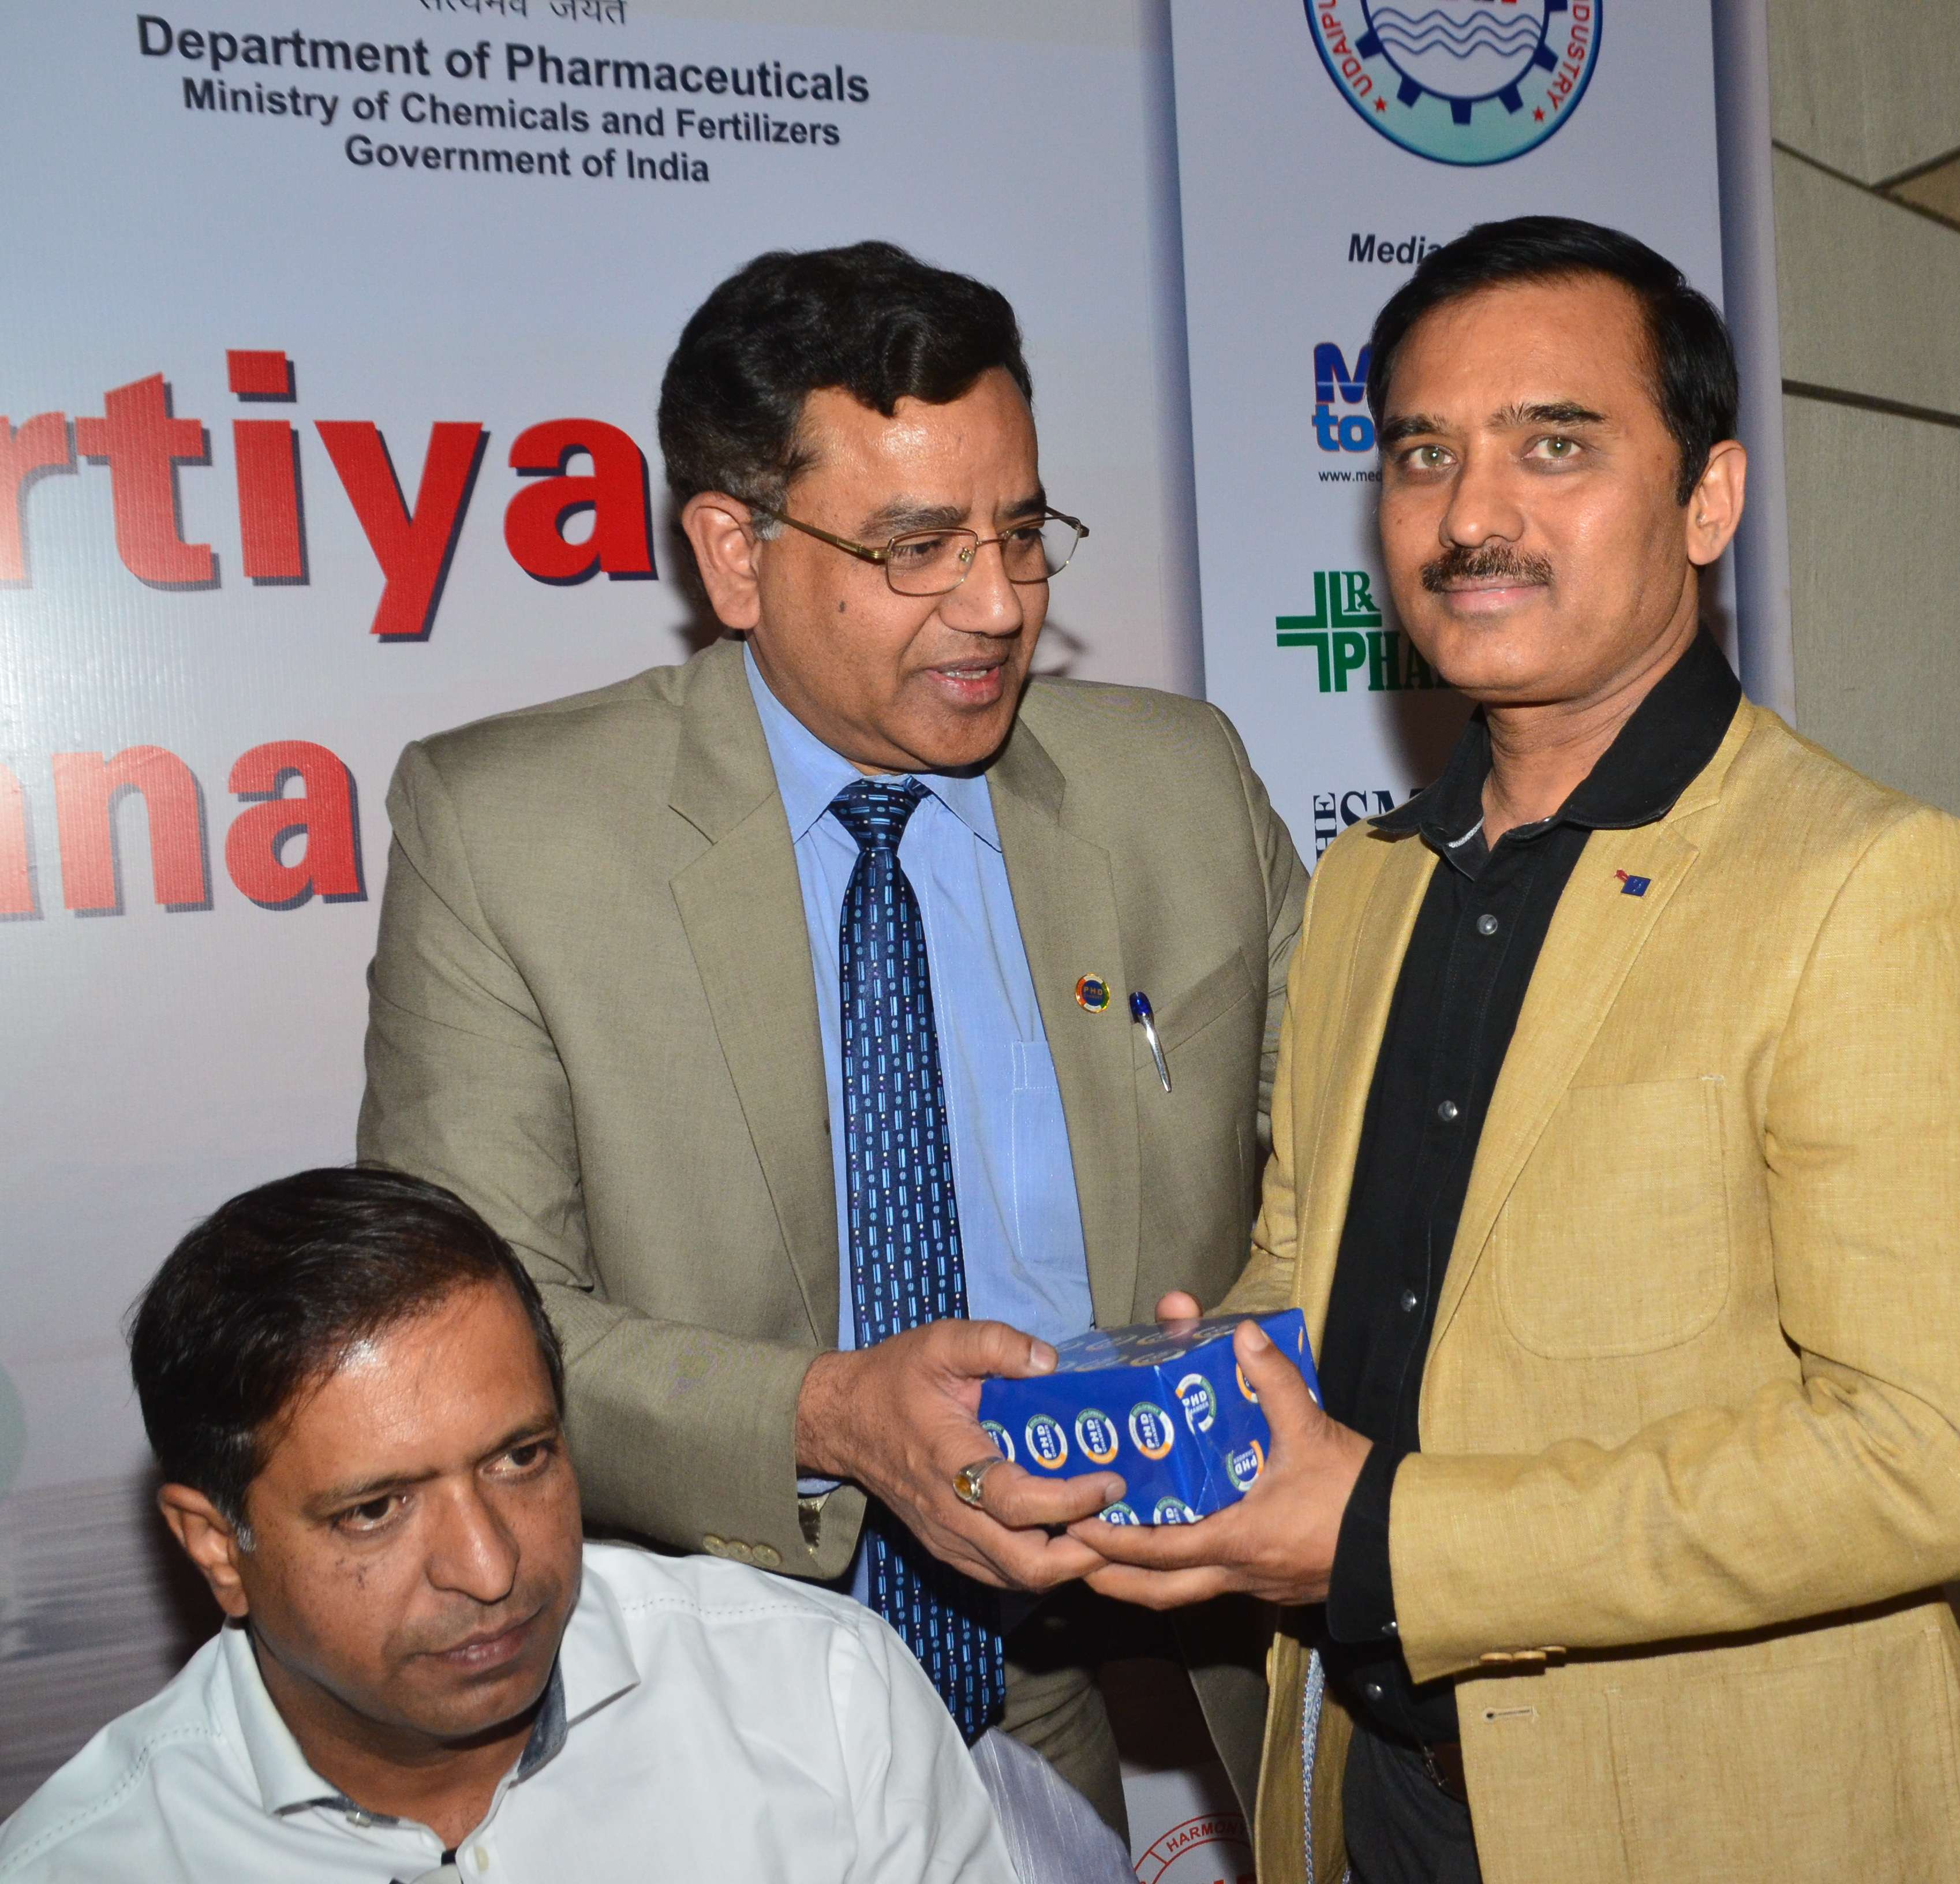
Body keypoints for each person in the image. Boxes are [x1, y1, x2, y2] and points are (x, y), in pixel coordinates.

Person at [1076, 216, 1960, 1883]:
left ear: (1709, 500)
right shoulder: (1373, 884)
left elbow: (1936, 1460)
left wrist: (1385, 1536)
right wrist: (1173, 1405)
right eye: (1423, 455)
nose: (1472, 516)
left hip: (1725, 1823)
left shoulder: (1869, 885)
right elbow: (1313, 1268)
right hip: (1365, 1792)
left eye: (1555, 446)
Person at [356, 241, 1305, 1833]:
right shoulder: (508, 835)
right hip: (723, 1693)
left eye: (1022, 534)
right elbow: (469, 1342)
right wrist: (830, 1416)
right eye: (917, 547)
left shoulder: (1177, 787)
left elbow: (1351, 1168)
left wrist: (1209, 1378)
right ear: (734, 555)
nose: (997, 605)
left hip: (1105, 1664)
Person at [0, 1167, 1018, 1883]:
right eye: (376, 1511)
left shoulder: (821, 1703)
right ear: (218, 1547)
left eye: (520, 1458)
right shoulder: (89, 1863)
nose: (491, 1569)